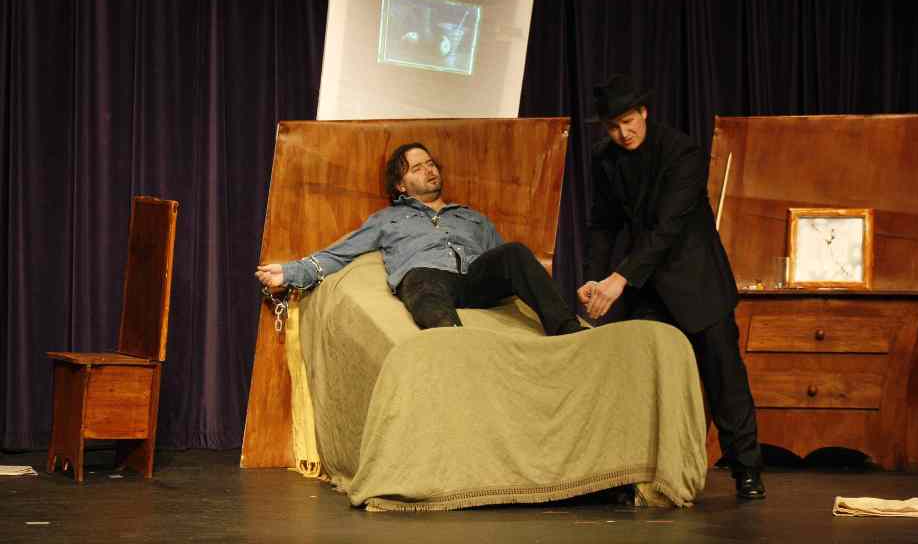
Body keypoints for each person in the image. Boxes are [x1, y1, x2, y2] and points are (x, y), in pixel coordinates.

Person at [576, 74, 766, 499]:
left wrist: (619, 278)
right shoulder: (605, 157)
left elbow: (668, 229)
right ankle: (637, 474)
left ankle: (747, 469)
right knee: (642, 377)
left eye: (629, 122)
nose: (623, 134)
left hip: (696, 279)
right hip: (647, 285)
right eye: (613, 126)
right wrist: (594, 276)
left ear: (644, 112)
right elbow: (603, 224)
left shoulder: (682, 152)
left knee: (724, 378)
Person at [256, 142, 585, 337]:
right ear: (401, 185)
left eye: (431, 164)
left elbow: (508, 265)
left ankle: (568, 329)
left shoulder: (472, 217)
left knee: (515, 251)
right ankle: (453, 342)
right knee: (419, 276)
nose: (430, 171)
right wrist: (289, 272)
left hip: (473, 280)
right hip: (429, 280)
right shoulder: (388, 219)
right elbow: (339, 254)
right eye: (417, 168)